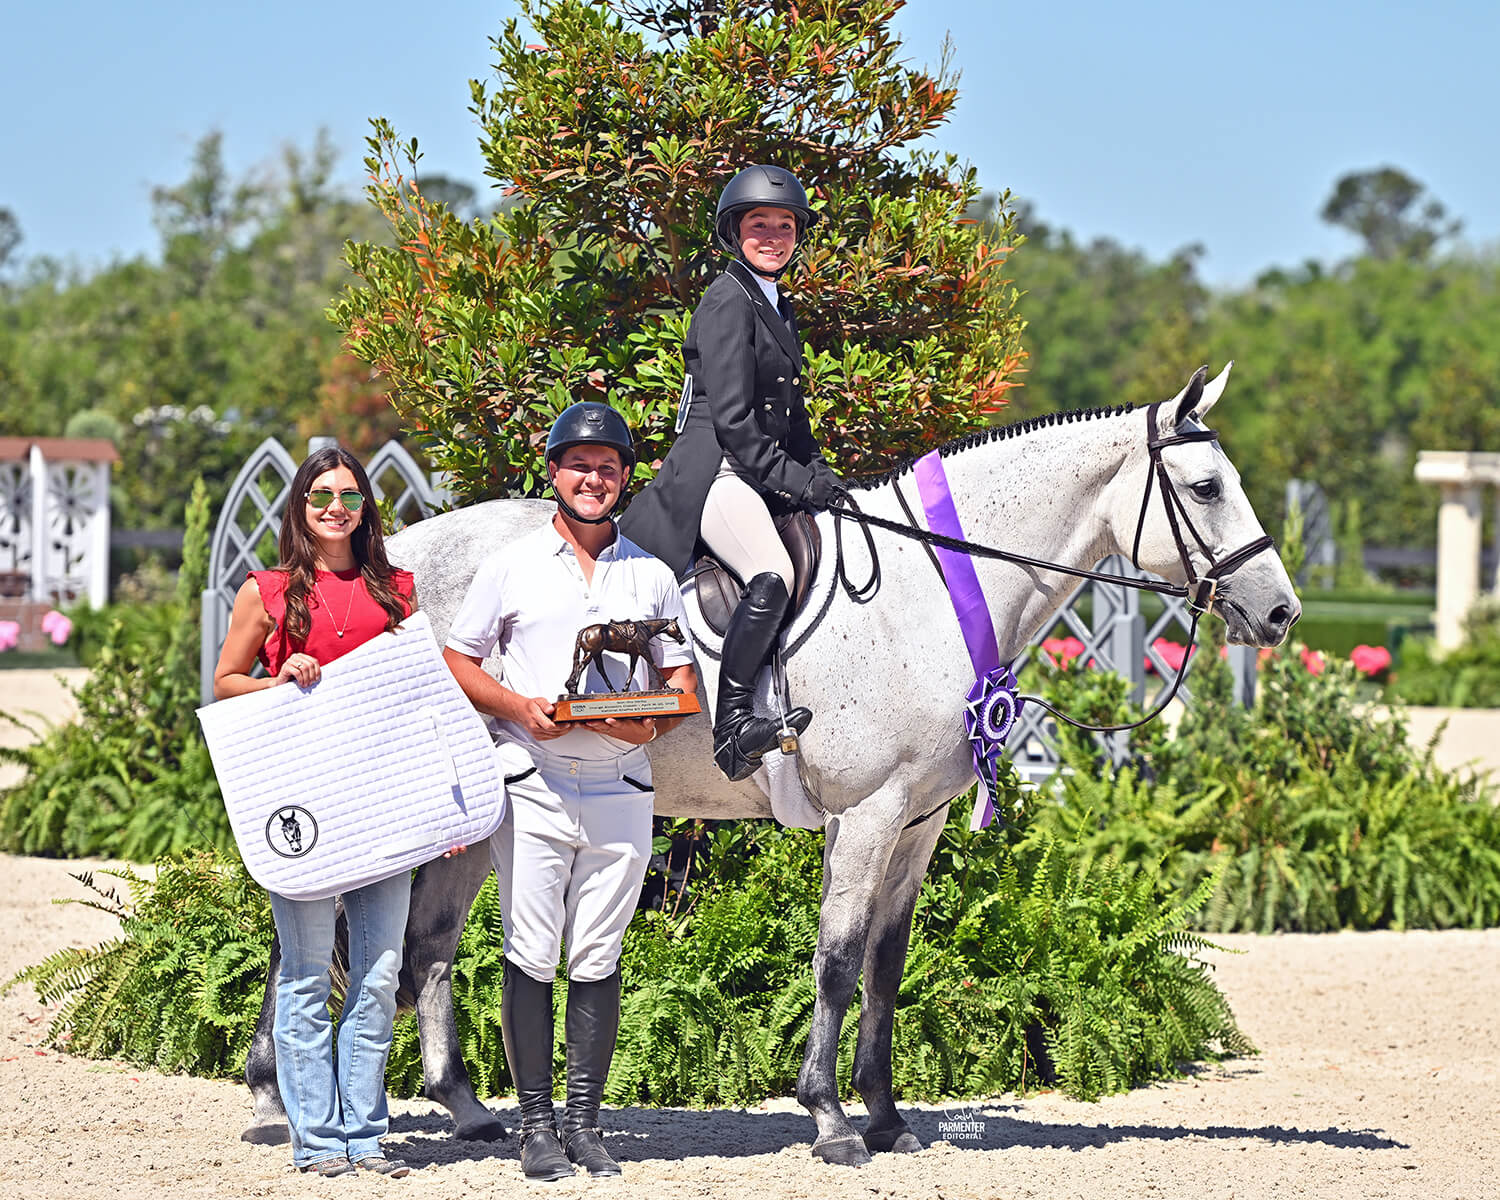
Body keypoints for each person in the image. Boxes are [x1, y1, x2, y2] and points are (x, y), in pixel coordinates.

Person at [442, 402, 698, 1181]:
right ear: (554, 472)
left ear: (624, 478)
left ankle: (585, 1124)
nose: (594, 479)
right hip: (535, 779)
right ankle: (536, 1127)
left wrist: (648, 726)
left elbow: (682, 683)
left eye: (608, 467)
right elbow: (458, 660)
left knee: (597, 952)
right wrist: (516, 707)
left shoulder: (652, 574)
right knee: (531, 949)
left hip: (621, 785)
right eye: (579, 466)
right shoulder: (512, 565)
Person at [213, 446, 417, 1179]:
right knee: (303, 974)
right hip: (302, 801)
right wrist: (279, 680)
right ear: (300, 506)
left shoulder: (398, 590)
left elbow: (415, 699)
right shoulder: (266, 592)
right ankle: (319, 1142)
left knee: (379, 973)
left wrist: (439, 804)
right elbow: (226, 680)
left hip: (385, 800)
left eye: (351, 496)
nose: (337, 507)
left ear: (366, 508)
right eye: (322, 495)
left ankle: (365, 1135)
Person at [618, 163, 845, 782]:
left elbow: (790, 415)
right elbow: (738, 425)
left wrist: (821, 473)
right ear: (734, 232)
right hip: (718, 472)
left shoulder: (774, 303)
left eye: (784, 225)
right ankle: (735, 726)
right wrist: (796, 482)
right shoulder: (726, 299)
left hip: (752, 469)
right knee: (772, 573)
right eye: (758, 224)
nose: (773, 236)